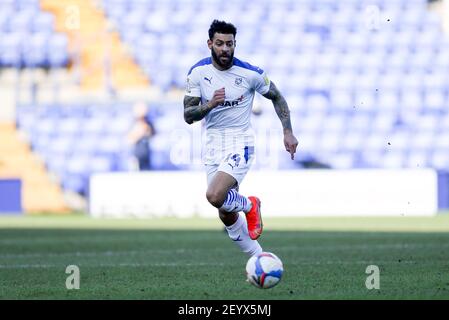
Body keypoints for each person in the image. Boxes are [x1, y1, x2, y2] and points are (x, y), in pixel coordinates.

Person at [183, 20, 298, 257]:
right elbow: (188, 115)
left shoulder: (250, 73)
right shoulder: (198, 73)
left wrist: (287, 131)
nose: (225, 49)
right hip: (213, 144)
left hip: (240, 142)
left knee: (214, 195)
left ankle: (250, 205)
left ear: (235, 44)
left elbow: (277, 97)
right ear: (209, 44)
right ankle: (259, 258)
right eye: (219, 44)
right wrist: (211, 104)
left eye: (229, 44)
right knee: (224, 210)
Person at [127, 102, 155, 171]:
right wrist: (139, 133)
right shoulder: (133, 124)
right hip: (136, 156)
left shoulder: (149, 123)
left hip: (146, 154)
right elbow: (130, 140)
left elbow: (153, 134)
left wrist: (147, 130)